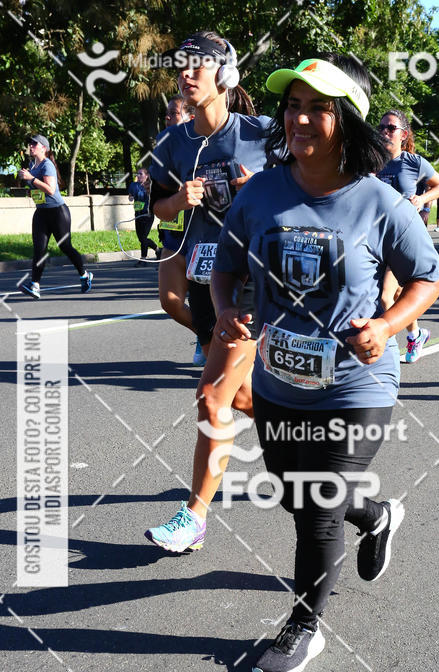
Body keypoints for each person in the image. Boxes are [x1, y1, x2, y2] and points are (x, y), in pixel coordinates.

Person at [212, 54, 439, 672]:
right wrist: (224, 309)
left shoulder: (381, 203)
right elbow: (226, 265)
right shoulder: (260, 193)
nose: (299, 118)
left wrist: (388, 326)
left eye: (317, 106)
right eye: (292, 105)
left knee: (316, 504)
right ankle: (377, 514)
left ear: (345, 120)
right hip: (279, 380)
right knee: (297, 494)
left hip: (358, 383)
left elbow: (429, 274)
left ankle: (304, 625)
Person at [144, 30, 271, 552]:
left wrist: (255, 191)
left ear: (226, 76)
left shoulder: (262, 135)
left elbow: (305, 188)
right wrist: (180, 198)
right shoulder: (171, 145)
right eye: (182, 67)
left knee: (211, 396)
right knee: (243, 397)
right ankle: (313, 455)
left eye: (199, 66)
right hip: (203, 283)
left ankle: (194, 516)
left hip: (248, 282)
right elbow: (158, 211)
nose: (187, 74)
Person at [376, 109, 439, 362]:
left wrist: (422, 198)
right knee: (395, 295)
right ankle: (416, 334)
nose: (384, 131)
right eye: (381, 127)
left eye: (391, 128)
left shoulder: (414, 163)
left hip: (402, 239)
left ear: (403, 135)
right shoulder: (373, 161)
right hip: (376, 238)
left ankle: (387, 352)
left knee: (385, 295)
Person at [155, 95, 208, 366]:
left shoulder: (206, 145)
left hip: (205, 240)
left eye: (173, 113)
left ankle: (217, 340)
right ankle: (204, 332)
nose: (167, 118)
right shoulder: (165, 146)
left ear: (190, 117)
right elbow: (158, 202)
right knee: (170, 301)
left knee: (216, 305)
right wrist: (174, 199)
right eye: (166, 113)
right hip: (175, 237)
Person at [17, 135, 93, 299]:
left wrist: (31, 179)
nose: (30, 146)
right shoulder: (32, 165)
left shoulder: (47, 165)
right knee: (39, 250)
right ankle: (35, 285)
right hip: (41, 213)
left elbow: (50, 190)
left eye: (34, 143)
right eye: (29, 143)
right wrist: (26, 179)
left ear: (43, 147)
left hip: (58, 212)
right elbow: (37, 190)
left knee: (65, 247)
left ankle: (85, 275)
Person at [128, 167, 159, 265]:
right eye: (137, 174)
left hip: (148, 214)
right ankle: (158, 250)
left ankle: (143, 258)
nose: (138, 176)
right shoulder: (133, 185)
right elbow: (130, 196)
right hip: (138, 214)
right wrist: (131, 197)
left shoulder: (150, 186)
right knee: (141, 238)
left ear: (147, 176)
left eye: (140, 174)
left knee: (144, 237)